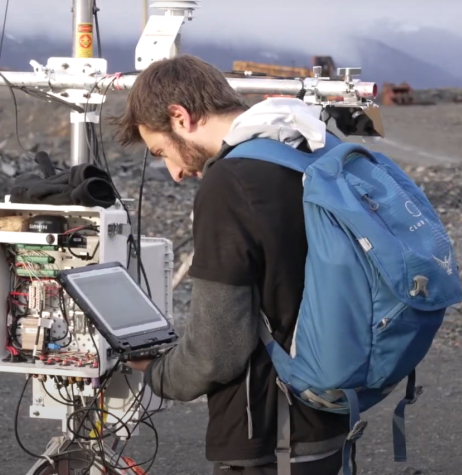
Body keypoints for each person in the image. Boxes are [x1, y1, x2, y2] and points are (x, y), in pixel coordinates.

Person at [112, 55, 350, 475]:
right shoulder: (305, 149)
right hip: (329, 412)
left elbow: (217, 351)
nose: (174, 172)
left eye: (161, 150)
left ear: (179, 116)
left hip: (269, 433)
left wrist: (161, 373)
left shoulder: (232, 181)